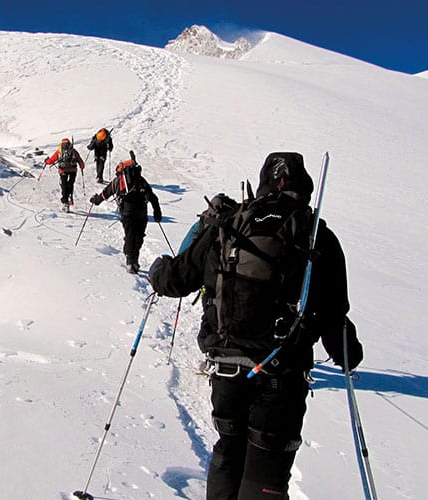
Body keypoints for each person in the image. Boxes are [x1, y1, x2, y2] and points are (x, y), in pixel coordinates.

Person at [148, 152, 363, 499]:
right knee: (266, 468)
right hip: (282, 377)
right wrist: (349, 355)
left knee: (228, 449)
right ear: (304, 187)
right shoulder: (316, 235)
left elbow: (176, 279)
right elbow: (334, 319)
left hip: (228, 372)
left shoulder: (232, 225)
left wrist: (158, 269)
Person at [90, 152, 162, 273]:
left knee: (130, 235)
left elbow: (105, 194)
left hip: (127, 212)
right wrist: (157, 213)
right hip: (142, 212)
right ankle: (135, 260)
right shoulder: (141, 180)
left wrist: (95, 200)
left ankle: (130, 260)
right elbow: (152, 197)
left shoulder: (119, 180)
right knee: (139, 236)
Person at [45, 138, 85, 212]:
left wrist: (46, 161)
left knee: (64, 184)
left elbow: (51, 160)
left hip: (63, 170)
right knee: (70, 184)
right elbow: (79, 159)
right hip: (73, 170)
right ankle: (70, 195)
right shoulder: (73, 150)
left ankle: (65, 201)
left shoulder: (59, 151)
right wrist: (82, 166)